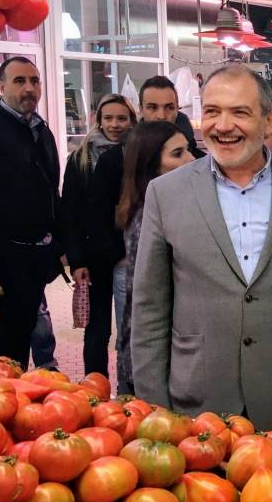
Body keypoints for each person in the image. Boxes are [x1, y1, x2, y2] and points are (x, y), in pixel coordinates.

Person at [131, 66, 272, 435]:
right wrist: (151, 400)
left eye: (240, 112)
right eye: (212, 111)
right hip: (196, 407)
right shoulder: (165, 193)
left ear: (268, 121)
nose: (223, 126)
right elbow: (149, 309)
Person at [84, 77, 204, 376]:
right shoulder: (117, 160)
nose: (161, 114)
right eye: (153, 107)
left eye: (169, 107)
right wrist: (116, 256)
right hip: (124, 264)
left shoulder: (192, 161)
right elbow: (95, 214)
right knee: (129, 330)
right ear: (141, 108)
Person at [0, 57, 62, 367]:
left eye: (35, 81)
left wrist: (56, 248)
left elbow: (50, 192)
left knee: (17, 348)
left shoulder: (40, 130)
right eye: (20, 81)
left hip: (32, 262)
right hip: (0, 261)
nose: (29, 88)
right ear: (1, 85)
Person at [115, 121, 195, 395]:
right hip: (155, 353)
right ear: (151, 164)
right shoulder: (146, 216)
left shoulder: (175, 204)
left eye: (188, 150)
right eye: (177, 154)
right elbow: (145, 295)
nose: (190, 159)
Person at [61, 93, 137, 376]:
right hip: (94, 258)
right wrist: (77, 260)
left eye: (121, 118)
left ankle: (129, 387)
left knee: (131, 327)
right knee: (97, 328)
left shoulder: (138, 156)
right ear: (98, 120)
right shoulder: (80, 158)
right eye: (108, 118)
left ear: (132, 120)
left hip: (127, 256)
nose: (115, 124)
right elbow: (70, 212)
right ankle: (96, 387)